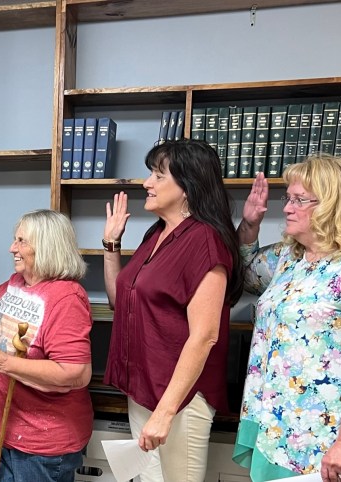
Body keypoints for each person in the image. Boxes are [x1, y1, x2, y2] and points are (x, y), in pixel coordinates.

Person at [232, 156, 341, 482]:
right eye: (287, 198)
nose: (287, 207)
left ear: (333, 204)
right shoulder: (291, 255)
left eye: (299, 200)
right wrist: (250, 225)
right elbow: (246, 274)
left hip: (339, 434)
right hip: (286, 428)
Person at [102, 139, 242, 482]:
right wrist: (111, 245)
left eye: (158, 175)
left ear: (187, 187)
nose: (147, 183)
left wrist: (165, 413)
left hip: (180, 398)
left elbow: (205, 336)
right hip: (145, 387)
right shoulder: (157, 234)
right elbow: (121, 304)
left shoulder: (206, 240)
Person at [0, 210, 93, 482]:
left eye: (22, 241)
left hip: (41, 446)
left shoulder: (66, 298)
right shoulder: (17, 283)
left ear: (46, 246)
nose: (13, 247)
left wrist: (3, 363)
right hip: (2, 432)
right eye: (15, 239)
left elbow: (75, 373)